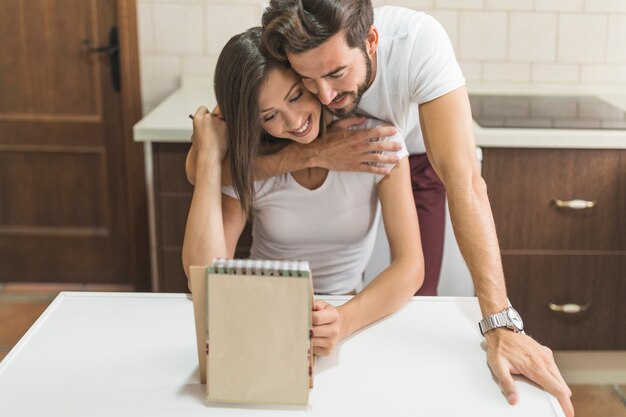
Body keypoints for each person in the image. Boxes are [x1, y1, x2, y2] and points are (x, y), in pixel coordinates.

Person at [255, 1, 574, 415]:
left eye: (336, 73)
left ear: (371, 42)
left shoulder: (418, 43)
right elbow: (212, 162)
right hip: (322, 151)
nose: (327, 97)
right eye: (307, 80)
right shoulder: (283, 41)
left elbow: (464, 183)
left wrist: (500, 323)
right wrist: (313, 155)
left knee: (415, 297)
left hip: (417, 160)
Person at [182, 27, 423, 357]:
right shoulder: (255, 160)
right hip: (263, 311)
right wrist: (209, 154)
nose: (294, 121)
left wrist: (343, 320)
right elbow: (203, 282)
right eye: (269, 116)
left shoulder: (373, 143)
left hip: (349, 312)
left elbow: (410, 267)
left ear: (309, 79)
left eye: (296, 96)